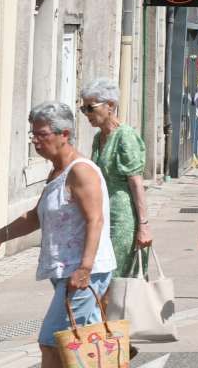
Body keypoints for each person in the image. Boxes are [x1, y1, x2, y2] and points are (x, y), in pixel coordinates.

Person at [0, 102, 116, 368]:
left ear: (64, 134)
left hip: (84, 273)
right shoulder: (58, 171)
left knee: (53, 341)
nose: (35, 141)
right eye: (33, 134)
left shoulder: (80, 171)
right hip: (67, 272)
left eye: (42, 134)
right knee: (85, 347)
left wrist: (85, 268)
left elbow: (95, 220)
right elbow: (36, 215)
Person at [80, 79, 151, 278]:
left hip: (123, 218)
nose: (87, 114)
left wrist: (143, 226)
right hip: (103, 214)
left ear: (110, 105)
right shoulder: (98, 138)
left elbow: (136, 183)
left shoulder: (125, 136)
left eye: (90, 108)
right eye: (83, 109)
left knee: (115, 278)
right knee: (101, 276)